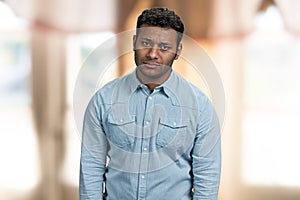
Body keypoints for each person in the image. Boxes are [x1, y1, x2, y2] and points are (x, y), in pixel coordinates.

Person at [80, 7, 221, 200]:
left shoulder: (200, 106)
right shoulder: (103, 100)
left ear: (178, 51)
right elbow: (91, 168)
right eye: (146, 43)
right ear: (134, 42)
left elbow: (207, 178)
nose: (153, 54)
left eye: (164, 47)